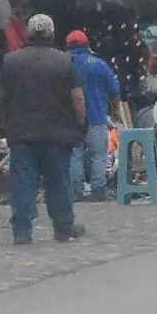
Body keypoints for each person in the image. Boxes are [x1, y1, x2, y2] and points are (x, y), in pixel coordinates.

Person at [0, 13, 86, 245]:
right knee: (58, 181)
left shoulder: (11, 61)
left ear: (29, 34)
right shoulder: (65, 61)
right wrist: (80, 123)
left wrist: (2, 123)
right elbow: (78, 99)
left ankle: (22, 231)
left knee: (23, 183)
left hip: (22, 133)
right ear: (52, 34)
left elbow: (0, 97)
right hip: (58, 133)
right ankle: (63, 228)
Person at [65, 30, 121, 202]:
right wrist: (116, 110)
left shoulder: (62, 64)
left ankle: (76, 191)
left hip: (70, 120)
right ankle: (98, 190)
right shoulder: (99, 64)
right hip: (96, 118)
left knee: (75, 155)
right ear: (87, 44)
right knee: (99, 155)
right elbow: (114, 91)